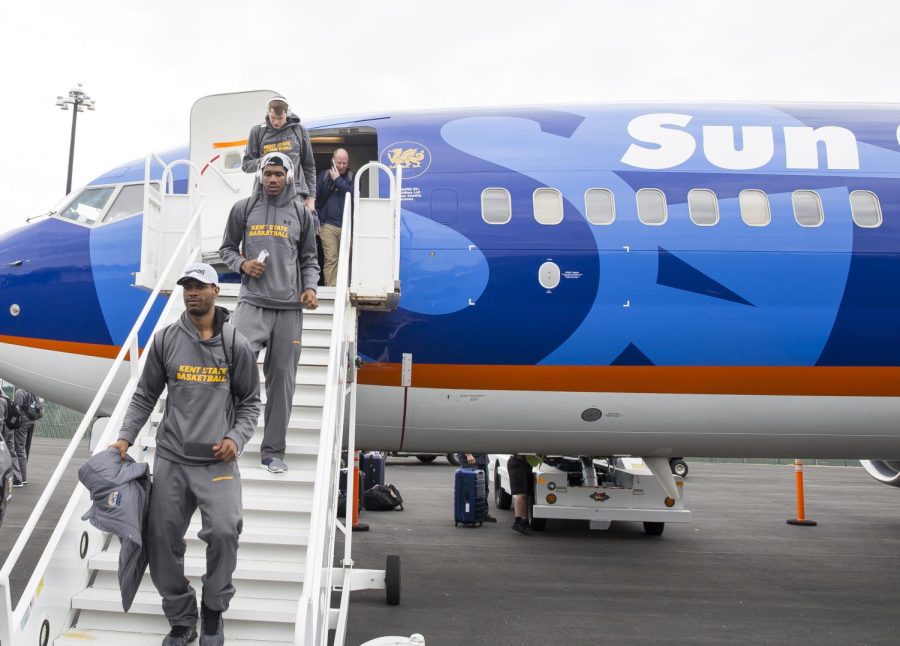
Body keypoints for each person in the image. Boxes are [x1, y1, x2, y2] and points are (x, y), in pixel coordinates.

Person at [110, 262, 261, 646]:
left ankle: (213, 608)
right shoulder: (165, 340)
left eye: (200, 286)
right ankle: (181, 617)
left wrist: (236, 438)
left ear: (216, 292)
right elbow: (145, 394)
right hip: (173, 459)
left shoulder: (235, 344)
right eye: (187, 286)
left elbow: (250, 403)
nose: (192, 292)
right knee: (159, 540)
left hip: (217, 463)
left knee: (225, 532)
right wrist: (125, 437)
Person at [219, 152, 320, 473]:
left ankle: (273, 453)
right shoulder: (243, 209)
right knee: (232, 368)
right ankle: (226, 439)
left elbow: (309, 259)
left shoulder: (302, 215)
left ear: (289, 177)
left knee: (282, 382)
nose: (273, 179)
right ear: (261, 175)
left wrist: (311, 288)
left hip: (289, 311)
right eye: (268, 173)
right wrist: (242, 264)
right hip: (252, 303)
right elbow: (225, 250)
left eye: (278, 174)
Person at [241, 96, 316, 212]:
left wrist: (311, 198)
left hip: (295, 193)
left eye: (280, 118)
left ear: (288, 114)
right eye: (272, 117)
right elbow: (246, 165)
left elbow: (309, 166)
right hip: (264, 194)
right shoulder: (257, 132)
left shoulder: (300, 131)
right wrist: (263, 161)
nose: (276, 122)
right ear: (268, 113)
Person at [315, 148, 354, 286]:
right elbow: (315, 200)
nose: (342, 166)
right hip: (328, 225)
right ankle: (332, 289)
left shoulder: (352, 176)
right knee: (331, 258)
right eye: (339, 163)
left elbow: (353, 194)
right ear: (333, 160)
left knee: (347, 258)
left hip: (347, 226)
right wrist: (316, 220)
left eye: (345, 163)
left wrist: (337, 180)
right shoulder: (323, 176)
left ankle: (346, 287)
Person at [454, 452, 497, 522]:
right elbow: (462, 441)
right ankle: (469, 514)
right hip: (469, 459)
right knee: (472, 488)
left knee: (484, 488)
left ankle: (482, 513)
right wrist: (468, 454)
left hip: (482, 458)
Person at [13, 387, 41, 485]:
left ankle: (21, 477)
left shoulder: (20, 392)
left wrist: (13, 422)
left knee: (19, 449)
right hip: (32, 421)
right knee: (26, 448)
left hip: (23, 422)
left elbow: (18, 408)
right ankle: (23, 475)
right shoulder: (33, 392)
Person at [507, 454, 534, 535]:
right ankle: (517, 521)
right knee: (521, 493)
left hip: (526, 462)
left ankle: (524, 521)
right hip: (517, 463)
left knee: (526, 494)